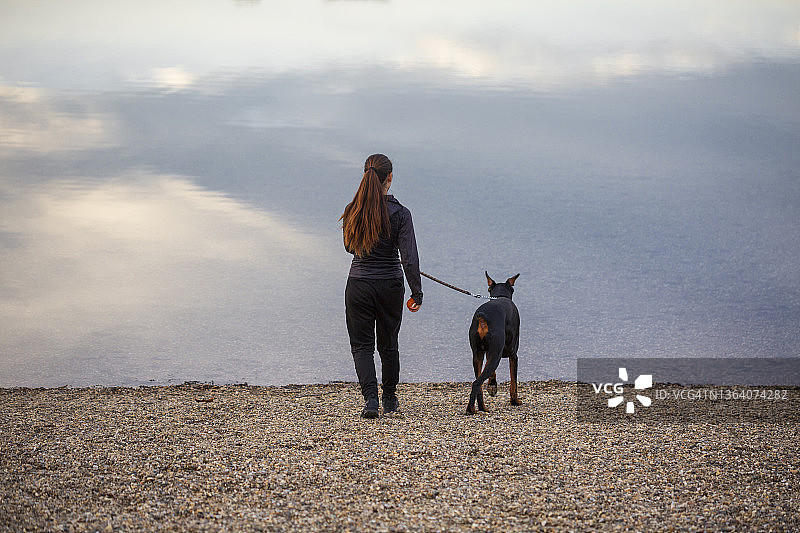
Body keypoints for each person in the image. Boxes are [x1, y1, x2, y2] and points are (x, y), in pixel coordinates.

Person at [340, 154, 423, 418]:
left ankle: (371, 400)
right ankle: (389, 397)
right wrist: (417, 292)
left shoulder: (353, 209)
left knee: (361, 346)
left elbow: (349, 247)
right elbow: (409, 258)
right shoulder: (401, 213)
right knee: (388, 344)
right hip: (390, 285)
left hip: (359, 284)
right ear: (389, 178)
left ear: (366, 175)